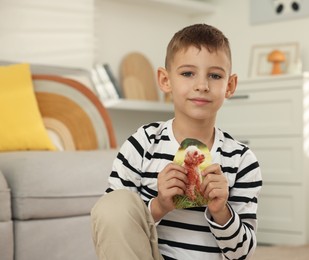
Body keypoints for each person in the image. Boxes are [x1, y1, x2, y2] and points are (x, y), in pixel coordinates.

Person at [91, 23, 262, 260]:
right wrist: (160, 205)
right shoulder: (143, 144)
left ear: (229, 86)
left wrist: (221, 212)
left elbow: (242, 253)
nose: (201, 85)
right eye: (187, 73)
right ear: (165, 80)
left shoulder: (242, 160)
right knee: (113, 204)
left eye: (215, 75)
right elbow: (111, 223)